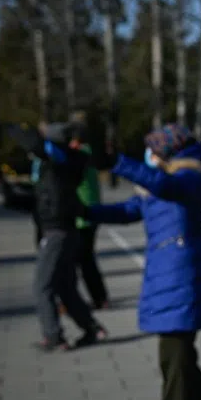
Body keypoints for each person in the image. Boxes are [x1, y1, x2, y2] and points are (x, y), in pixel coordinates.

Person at [83, 124, 201, 400]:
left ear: (167, 153)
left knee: (173, 356)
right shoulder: (163, 182)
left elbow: (162, 184)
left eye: (154, 151)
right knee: (179, 354)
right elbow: (128, 210)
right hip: (167, 277)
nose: (150, 156)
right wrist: (82, 212)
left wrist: (119, 161)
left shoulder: (186, 177)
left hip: (181, 278)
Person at [8, 122, 107, 352]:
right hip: (66, 230)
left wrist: (10, 128)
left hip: (56, 232)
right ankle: (92, 328)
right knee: (65, 286)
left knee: (42, 287)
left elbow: (34, 145)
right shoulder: (66, 164)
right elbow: (44, 198)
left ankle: (53, 335)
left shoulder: (56, 164)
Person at [70, 115, 109, 309]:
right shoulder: (86, 154)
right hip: (87, 213)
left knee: (81, 260)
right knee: (85, 259)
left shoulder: (79, 156)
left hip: (83, 215)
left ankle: (96, 298)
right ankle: (98, 297)